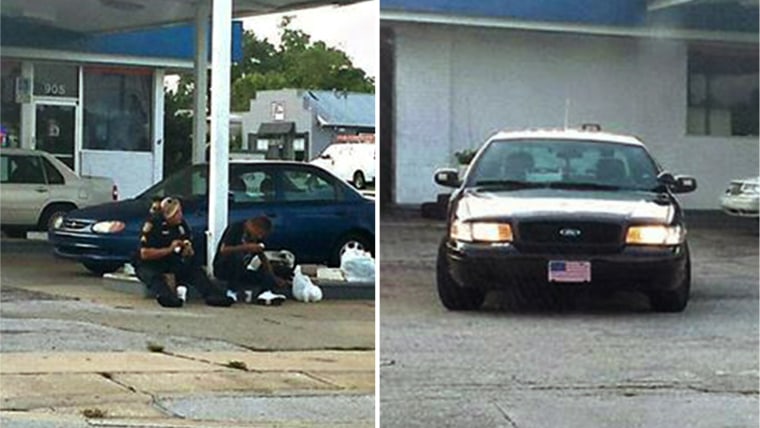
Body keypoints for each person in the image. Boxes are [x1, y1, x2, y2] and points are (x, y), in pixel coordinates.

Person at [134, 196, 233, 308]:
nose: (180, 215)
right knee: (154, 277)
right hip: (151, 263)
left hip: (172, 261)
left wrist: (187, 250)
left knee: (195, 270)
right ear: (168, 214)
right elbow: (145, 254)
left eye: (180, 212)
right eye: (176, 213)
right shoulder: (153, 225)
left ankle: (214, 296)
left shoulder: (181, 225)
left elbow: (186, 241)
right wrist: (170, 249)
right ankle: (168, 297)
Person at [213, 216, 288, 305]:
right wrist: (247, 247)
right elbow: (224, 250)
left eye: (262, 235)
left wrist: (272, 277)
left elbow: (263, 258)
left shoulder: (257, 237)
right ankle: (232, 291)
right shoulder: (236, 228)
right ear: (252, 226)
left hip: (242, 271)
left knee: (263, 272)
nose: (259, 236)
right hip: (224, 268)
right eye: (259, 233)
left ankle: (265, 293)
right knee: (237, 257)